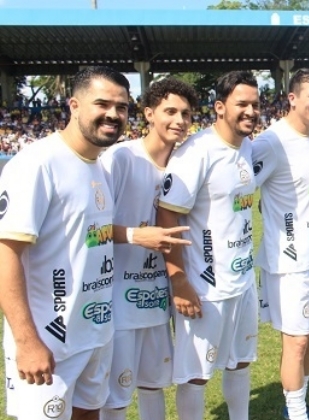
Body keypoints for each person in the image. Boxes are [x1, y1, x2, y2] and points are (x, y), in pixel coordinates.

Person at [0, 66, 128, 420]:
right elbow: (6, 254)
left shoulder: (100, 168)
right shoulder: (37, 164)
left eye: (122, 107)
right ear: (74, 105)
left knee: (89, 415)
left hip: (95, 335)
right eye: (102, 103)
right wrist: (27, 341)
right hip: (49, 341)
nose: (113, 114)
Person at [157, 71, 260, 420]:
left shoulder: (247, 145)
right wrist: (179, 280)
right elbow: (167, 216)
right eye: (241, 104)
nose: (250, 111)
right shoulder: (197, 151)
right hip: (205, 286)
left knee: (241, 360)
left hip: (243, 279)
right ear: (220, 107)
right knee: (197, 373)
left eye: (255, 104)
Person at [99, 78, 198, 420]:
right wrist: (134, 236)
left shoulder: (185, 163)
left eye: (186, 113)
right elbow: (89, 227)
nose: (179, 120)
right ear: (149, 114)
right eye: (170, 111)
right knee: (117, 392)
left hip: (157, 297)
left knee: (154, 383)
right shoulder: (120, 158)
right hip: (119, 299)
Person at [251, 68, 309, 420]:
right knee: (296, 341)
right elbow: (239, 186)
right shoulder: (271, 142)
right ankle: (296, 414)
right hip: (289, 263)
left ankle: (301, 405)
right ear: (292, 98)